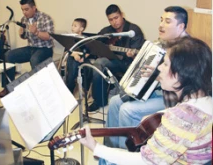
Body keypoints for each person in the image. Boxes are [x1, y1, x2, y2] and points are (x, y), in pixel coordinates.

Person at [80, 36, 212, 165]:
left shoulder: (181, 118)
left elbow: (145, 161)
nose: (159, 68)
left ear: (181, 74)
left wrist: (96, 147)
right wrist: (162, 113)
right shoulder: (205, 101)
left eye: (165, 64)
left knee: (106, 160)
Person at [105, 6, 189, 150]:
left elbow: (185, 86)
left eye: (167, 21)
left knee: (127, 109)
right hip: (157, 92)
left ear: (180, 26)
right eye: (161, 20)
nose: (161, 25)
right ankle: (111, 149)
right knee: (114, 102)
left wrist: (157, 76)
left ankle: (126, 154)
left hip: (174, 99)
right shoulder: (165, 43)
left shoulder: (188, 50)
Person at [87, 4, 145, 112]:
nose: (114, 22)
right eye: (111, 20)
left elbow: (140, 56)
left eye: (116, 18)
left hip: (129, 64)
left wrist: (133, 55)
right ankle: (99, 101)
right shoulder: (107, 31)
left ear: (122, 15)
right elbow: (94, 43)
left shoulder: (133, 30)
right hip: (113, 62)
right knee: (99, 62)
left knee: (101, 62)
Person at [0, 0, 54, 97]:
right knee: (8, 55)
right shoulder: (24, 19)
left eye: (26, 9)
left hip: (45, 49)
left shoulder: (45, 18)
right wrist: (22, 34)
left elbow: (49, 37)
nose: (24, 12)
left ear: (34, 8)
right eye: (22, 10)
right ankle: (8, 87)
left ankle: (39, 90)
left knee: (35, 59)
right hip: (31, 48)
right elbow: (25, 37)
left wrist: (36, 32)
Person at [65, 18, 91, 94]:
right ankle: (70, 88)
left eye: (75, 26)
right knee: (73, 67)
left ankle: (85, 87)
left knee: (89, 68)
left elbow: (90, 51)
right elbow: (68, 50)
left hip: (83, 57)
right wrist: (75, 54)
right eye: (72, 25)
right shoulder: (70, 38)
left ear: (81, 29)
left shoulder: (85, 38)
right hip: (73, 56)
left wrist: (83, 58)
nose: (72, 27)